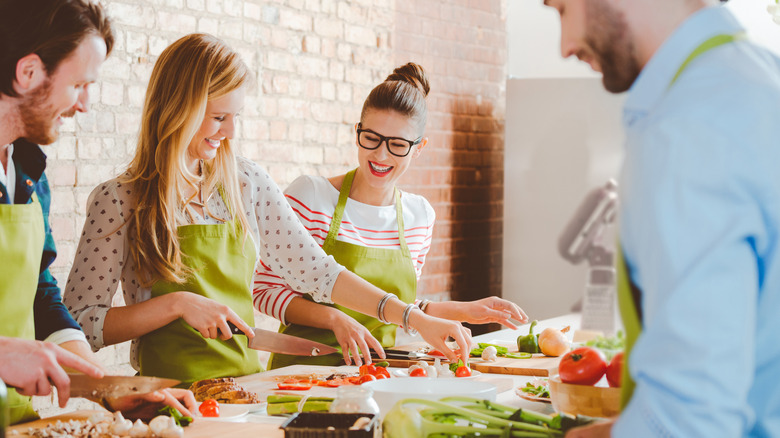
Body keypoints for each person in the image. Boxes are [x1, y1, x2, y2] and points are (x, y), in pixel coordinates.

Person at [65, 33, 473, 386]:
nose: (229, 133)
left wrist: (414, 320)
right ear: (177, 108)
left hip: (246, 392)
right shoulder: (120, 199)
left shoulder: (246, 184)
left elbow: (319, 273)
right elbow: (80, 322)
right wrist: (175, 304)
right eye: (218, 117)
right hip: (164, 398)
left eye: (235, 116)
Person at [541, 0, 780, 436]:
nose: (565, 45)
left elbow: (691, 420)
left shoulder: (688, 125)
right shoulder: (757, 78)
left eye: (561, 9)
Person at [255, 62, 528, 369]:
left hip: (377, 375)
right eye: (371, 138)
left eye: (397, 145)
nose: (381, 155)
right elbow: (264, 290)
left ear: (419, 148)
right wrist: (335, 319)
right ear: (356, 131)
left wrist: (464, 310)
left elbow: (400, 308)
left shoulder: (419, 216)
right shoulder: (311, 197)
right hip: (302, 375)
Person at [0, 0, 194, 424]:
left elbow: (38, 293)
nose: (85, 105)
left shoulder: (27, 169)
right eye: (79, 85)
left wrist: (107, 386)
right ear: (28, 72)